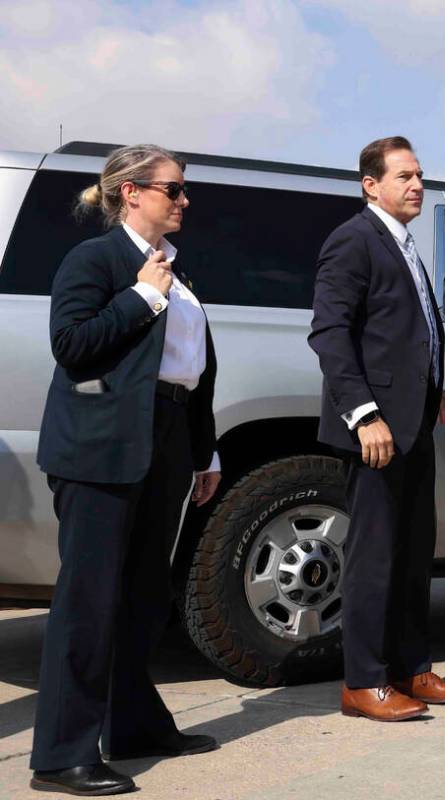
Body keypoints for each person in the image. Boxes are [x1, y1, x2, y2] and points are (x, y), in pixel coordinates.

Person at [30, 145, 221, 796]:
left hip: (165, 439)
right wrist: (141, 297)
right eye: (174, 189)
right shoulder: (98, 260)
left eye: (183, 189)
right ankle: (60, 756)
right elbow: (72, 345)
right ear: (133, 192)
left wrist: (205, 450)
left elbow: (191, 371)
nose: (184, 199)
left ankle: (134, 725)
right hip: (100, 444)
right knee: (88, 602)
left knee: (144, 597)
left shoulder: (175, 270)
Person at [308, 137, 445, 722]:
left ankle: (411, 669)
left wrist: (433, 391)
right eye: (404, 175)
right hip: (376, 429)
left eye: (420, 175)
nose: (417, 185)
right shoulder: (353, 240)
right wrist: (364, 415)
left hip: (415, 422)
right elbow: (331, 333)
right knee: (374, 556)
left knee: (411, 554)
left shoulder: (403, 243)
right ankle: (364, 681)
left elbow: (402, 332)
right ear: (370, 184)